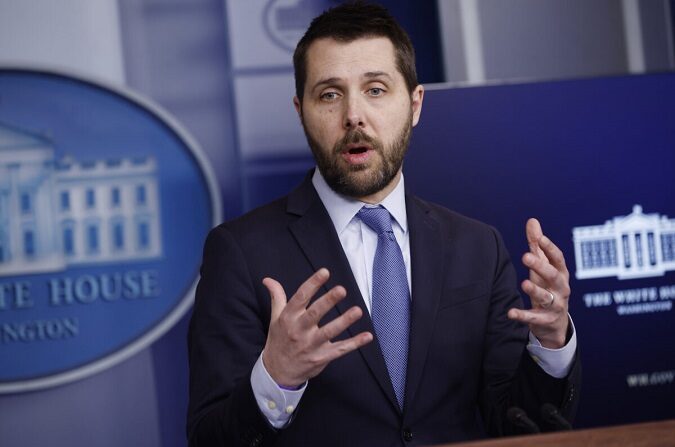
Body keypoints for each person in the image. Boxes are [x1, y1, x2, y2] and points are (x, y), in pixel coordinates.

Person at [187, 2, 580, 446]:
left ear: (415, 104)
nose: (354, 115)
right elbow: (208, 438)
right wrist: (275, 378)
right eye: (329, 94)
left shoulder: (477, 247)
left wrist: (550, 343)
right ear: (301, 111)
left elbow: (517, 423)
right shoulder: (240, 253)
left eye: (375, 89)